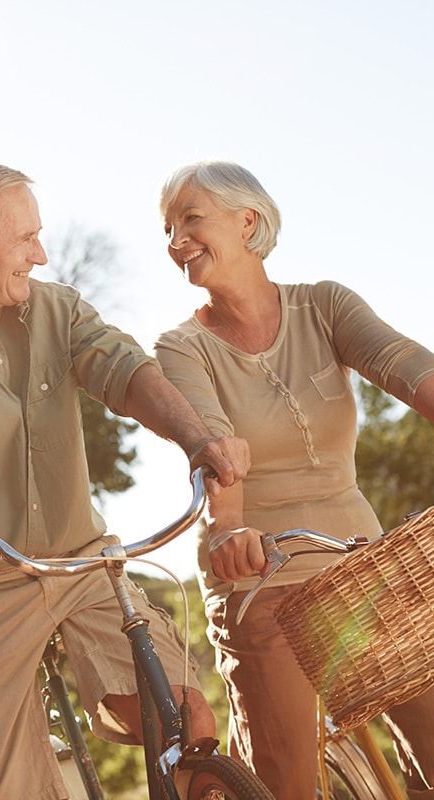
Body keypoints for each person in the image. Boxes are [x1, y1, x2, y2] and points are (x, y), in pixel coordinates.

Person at [0, 159, 252, 800]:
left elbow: (123, 369)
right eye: (25, 239)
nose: (42, 252)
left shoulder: (58, 312)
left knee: (186, 718)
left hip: (82, 566)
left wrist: (197, 440)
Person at [154, 159, 434, 800]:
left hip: (362, 562)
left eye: (190, 219)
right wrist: (228, 529)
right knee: (286, 779)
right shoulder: (181, 348)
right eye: (167, 229)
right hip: (260, 571)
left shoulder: (324, 306)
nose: (175, 241)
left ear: (247, 221)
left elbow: (403, 364)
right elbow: (213, 446)